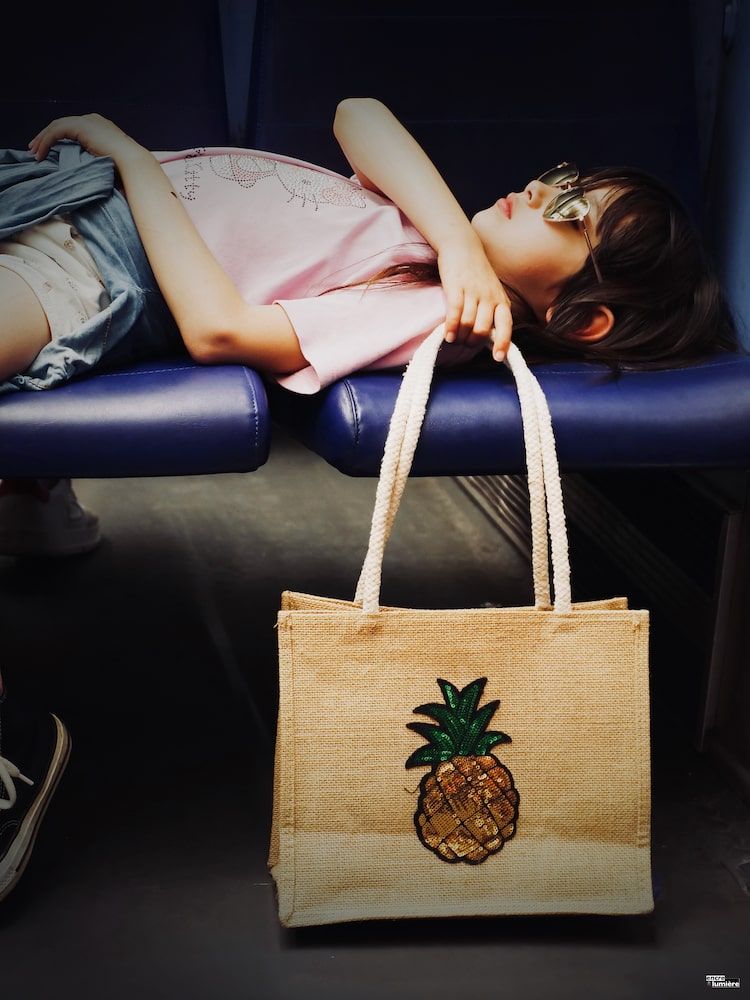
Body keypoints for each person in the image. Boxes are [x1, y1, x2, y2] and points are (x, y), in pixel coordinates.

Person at [0, 98, 737, 902]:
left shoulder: (442, 315)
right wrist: (459, 244)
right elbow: (358, 114)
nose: (538, 188)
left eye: (570, 213)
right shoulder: (446, 245)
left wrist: (136, 164)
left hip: (87, 261)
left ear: (582, 318)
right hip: (63, 195)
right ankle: (28, 493)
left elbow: (219, 330)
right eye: (564, 179)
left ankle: (11, 735)